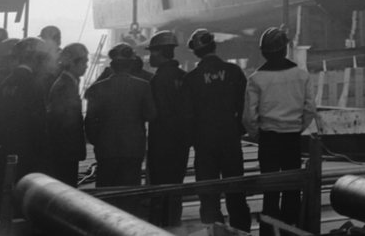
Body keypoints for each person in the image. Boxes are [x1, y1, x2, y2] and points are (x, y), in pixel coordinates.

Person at [243, 28, 317, 236]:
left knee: (271, 189)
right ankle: (289, 231)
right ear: (285, 49)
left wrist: (258, 135)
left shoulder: (256, 79)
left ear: (264, 52)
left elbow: (249, 117)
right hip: (292, 139)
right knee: (292, 188)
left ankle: (268, 232)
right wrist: (297, 128)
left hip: (269, 139)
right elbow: (310, 109)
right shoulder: (301, 75)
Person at [184, 28, 250, 232]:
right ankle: (241, 232)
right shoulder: (233, 71)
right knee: (236, 192)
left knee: (209, 196)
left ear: (196, 52)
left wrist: (194, 138)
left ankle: (215, 232)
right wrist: (237, 130)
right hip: (230, 140)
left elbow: (187, 115)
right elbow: (245, 106)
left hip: (204, 143)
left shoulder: (192, 78)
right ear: (214, 46)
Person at [0, 38, 48, 220]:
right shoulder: (34, 84)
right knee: (23, 199)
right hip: (27, 153)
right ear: (34, 58)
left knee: (1, 196)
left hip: (3, 149)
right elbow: (38, 124)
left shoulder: (4, 82)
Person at [84, 42, 155, 187]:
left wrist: (98, 141)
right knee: (130, 191)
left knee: (106, 191)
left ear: (112, 65)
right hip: (133, 149)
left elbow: (90, 120)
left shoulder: (97, 88)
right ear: (131, 64)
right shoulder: (143, 86)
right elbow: (151, 115)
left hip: (106, 149)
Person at [146, 31, 189, 227]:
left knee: (159, 189)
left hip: (161, 144)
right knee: (176, 186)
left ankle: (159, 227)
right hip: (181, 144)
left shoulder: (157, 80)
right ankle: (174, 224)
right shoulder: (184, 77)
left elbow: (155, 113)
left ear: (159, 52)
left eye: (152, 52)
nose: (149, 57)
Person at [46, 43, 88, 187]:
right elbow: (64, 122)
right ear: (72, 63)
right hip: (65, 151)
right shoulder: (65, 86)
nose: (86, 66)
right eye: (84, 62)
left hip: (65, 151)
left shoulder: (67, 83)